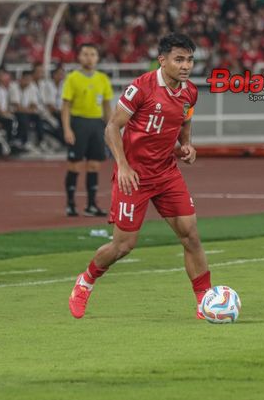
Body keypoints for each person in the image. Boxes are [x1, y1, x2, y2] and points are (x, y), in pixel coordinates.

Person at [68, 33, 212, 320]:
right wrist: (123, 166)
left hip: (167, 174)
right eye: (179, 59)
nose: (186, 66)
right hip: (134, 176)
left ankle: (205, 301)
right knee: (123, 246)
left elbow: (185, 118)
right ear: (162, 60)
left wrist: (186, 145)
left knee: (191, 236)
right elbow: (112, 128)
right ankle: (85, 282)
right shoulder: (141, 88)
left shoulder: (189, 92)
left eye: (190, 60)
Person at [61, 44, 113, 217]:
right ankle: (70, 204)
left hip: (96, 124)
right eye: (85, 54)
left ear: (97, 58)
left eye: (92, 54)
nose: (89, 57)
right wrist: (67, 129)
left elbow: (107, 106)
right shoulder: (73, 78)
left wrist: (110, 128)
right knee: (75, 165)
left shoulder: (103, 79)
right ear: (79, 57)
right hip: (79, 123)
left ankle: (91, 205)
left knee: (94, 165)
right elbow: (66, 106)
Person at [10, 70, 44, 151]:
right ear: (21, 78)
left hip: (27, 112)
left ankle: (41, 141)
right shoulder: (13, 87)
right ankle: (23, 141)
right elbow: (16, 106)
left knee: (38, 118)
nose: (27, 82)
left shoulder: (32, 87)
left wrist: (27, 110)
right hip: (15, 113)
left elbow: (34, 105)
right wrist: (28, 110)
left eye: (29, 80)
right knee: (23, 118)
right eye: (26, 79)